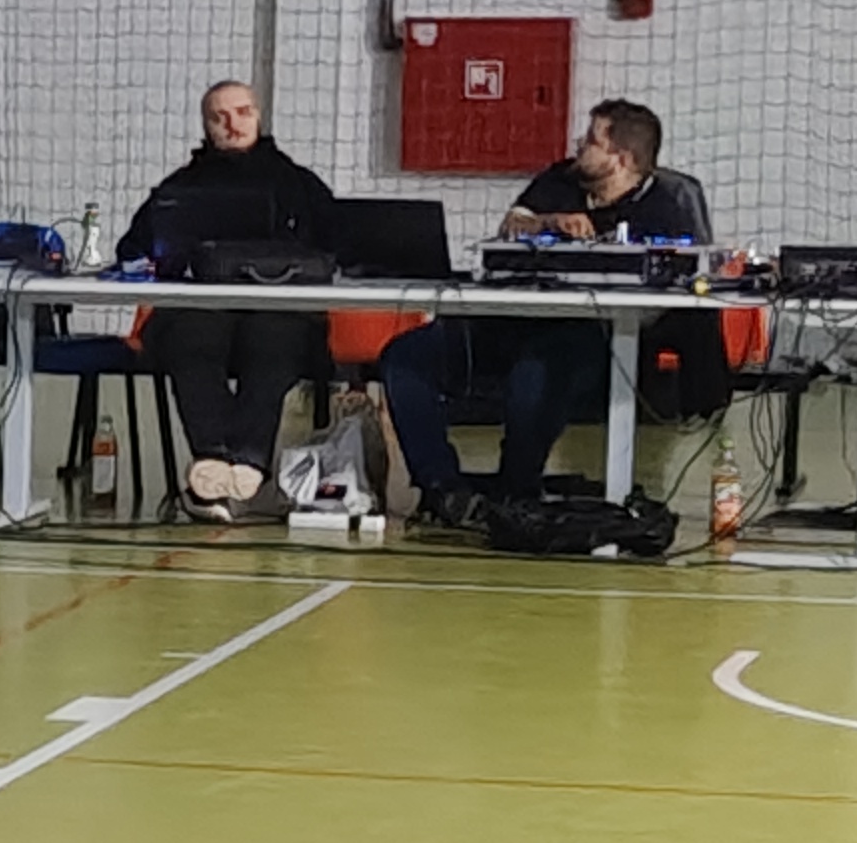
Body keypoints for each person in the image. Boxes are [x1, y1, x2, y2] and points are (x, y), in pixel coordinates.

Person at [379, 99, 711, 523]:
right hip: (506, 325)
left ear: (622, 159)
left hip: (591, 340)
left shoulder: (664, 208)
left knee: (536, 371)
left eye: (591, 140)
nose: (579, 146)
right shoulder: (559, 179)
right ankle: (443, 489)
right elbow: (512, 226)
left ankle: (516, 492)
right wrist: (548, 223)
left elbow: (672, 291)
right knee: (405, 357)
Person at [113, 79, 343, 514]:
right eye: (219, 117)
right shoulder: (178, 189)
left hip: (280, 316)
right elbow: (132, 250)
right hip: (199, 315)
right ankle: (215, 458)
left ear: (258, 116)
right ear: (206, 126)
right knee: (192, 332)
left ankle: (247, 458)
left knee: (273, 334)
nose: (232, 124)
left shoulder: (300, 186)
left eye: (242, 112)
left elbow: (342, 249)